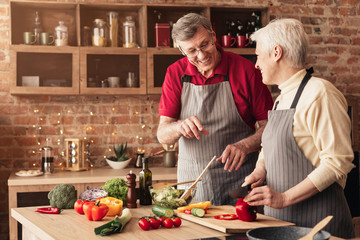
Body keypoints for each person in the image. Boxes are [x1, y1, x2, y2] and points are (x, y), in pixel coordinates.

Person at [243, 18, 355, 238]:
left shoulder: (320, 93)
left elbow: (337, 162)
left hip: (320, 223)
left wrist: (284, 199)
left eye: (258, 56)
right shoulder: (281, 97)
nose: (256, 64)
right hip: (280, 222)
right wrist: (260, 170)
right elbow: (268, 146)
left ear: (276, 53)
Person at [157, 13, 273, 206]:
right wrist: (178, 127)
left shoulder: (247, 71)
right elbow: (162, 135)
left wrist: (245, 145)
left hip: (240, 186)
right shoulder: (175, 73)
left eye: (204, 44)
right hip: (193, 188)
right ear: (180, 50)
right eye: (192, 51)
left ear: (213, 35)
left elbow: (270, 127)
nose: (201, 56)